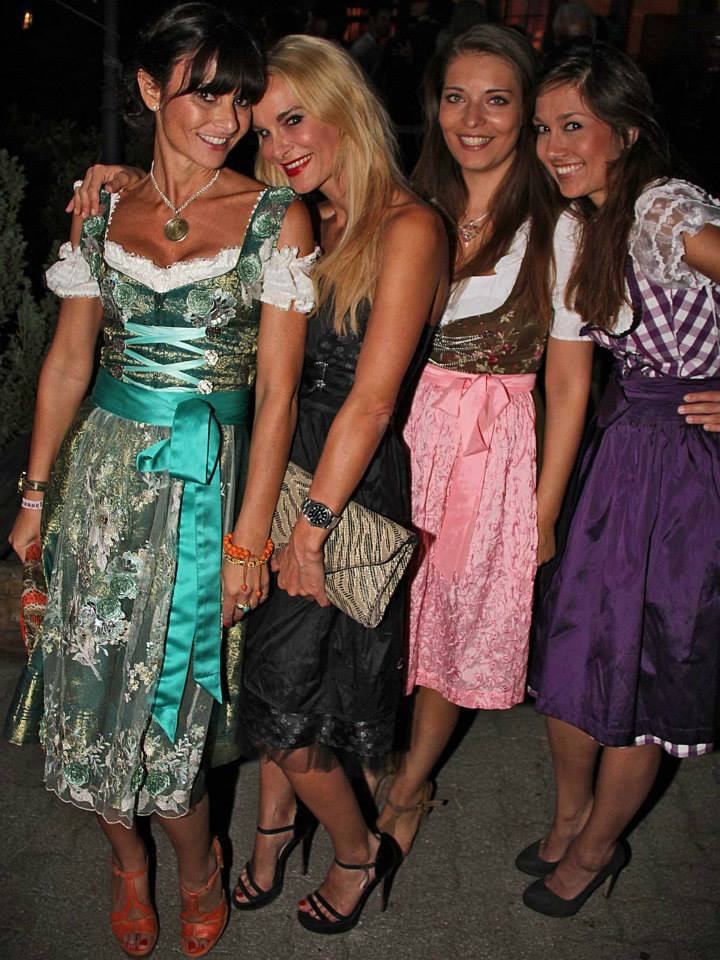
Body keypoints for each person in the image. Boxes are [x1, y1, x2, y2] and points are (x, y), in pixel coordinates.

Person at [6, 4, 315, 957]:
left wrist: (248, 540)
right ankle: (126, 864)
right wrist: (33, 495)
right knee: (85, 679)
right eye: (205, 94)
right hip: (102, 480)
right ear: (148, 89)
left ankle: (197, 865)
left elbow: (277, 395)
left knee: (174, 703)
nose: (228, 119)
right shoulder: (102, 206)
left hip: (205, 488)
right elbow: (68, 362)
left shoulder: (275, 217)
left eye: (240, 99)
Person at [231, 36, 447, 934]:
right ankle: (275, 829)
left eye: (293, 118)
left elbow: (372, 399)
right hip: (280, 462)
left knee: (281, 695)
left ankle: (359, 853)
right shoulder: (303, 219)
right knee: (283, 678)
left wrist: (311, 530)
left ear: (343, 108)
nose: (277, 145)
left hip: (342, 482)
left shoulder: (409, 226)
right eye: (262, 130)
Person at [373, 23, 594, 857]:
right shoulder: (407, 203)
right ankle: (379, 751)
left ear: (525, 112)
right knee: (389, 611)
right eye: (456, 98)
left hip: (489, 452)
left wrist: (543, 510)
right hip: (399, 437)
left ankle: (410, 785)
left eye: (497, 100)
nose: (473, 119)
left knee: (453, 625)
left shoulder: (558, 228)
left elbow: (569, 385)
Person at [519, 43, 720, 918]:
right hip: (621, 455)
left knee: (647, 662)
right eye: (543, 129)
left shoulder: (664, 208)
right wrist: (544, 511)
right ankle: (571, 820)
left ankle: (599, 847)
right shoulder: (586, 222)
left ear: (626, 131)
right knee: (575, 645)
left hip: (686, 466)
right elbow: (569, 379)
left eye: (574, 126)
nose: (554, 146)